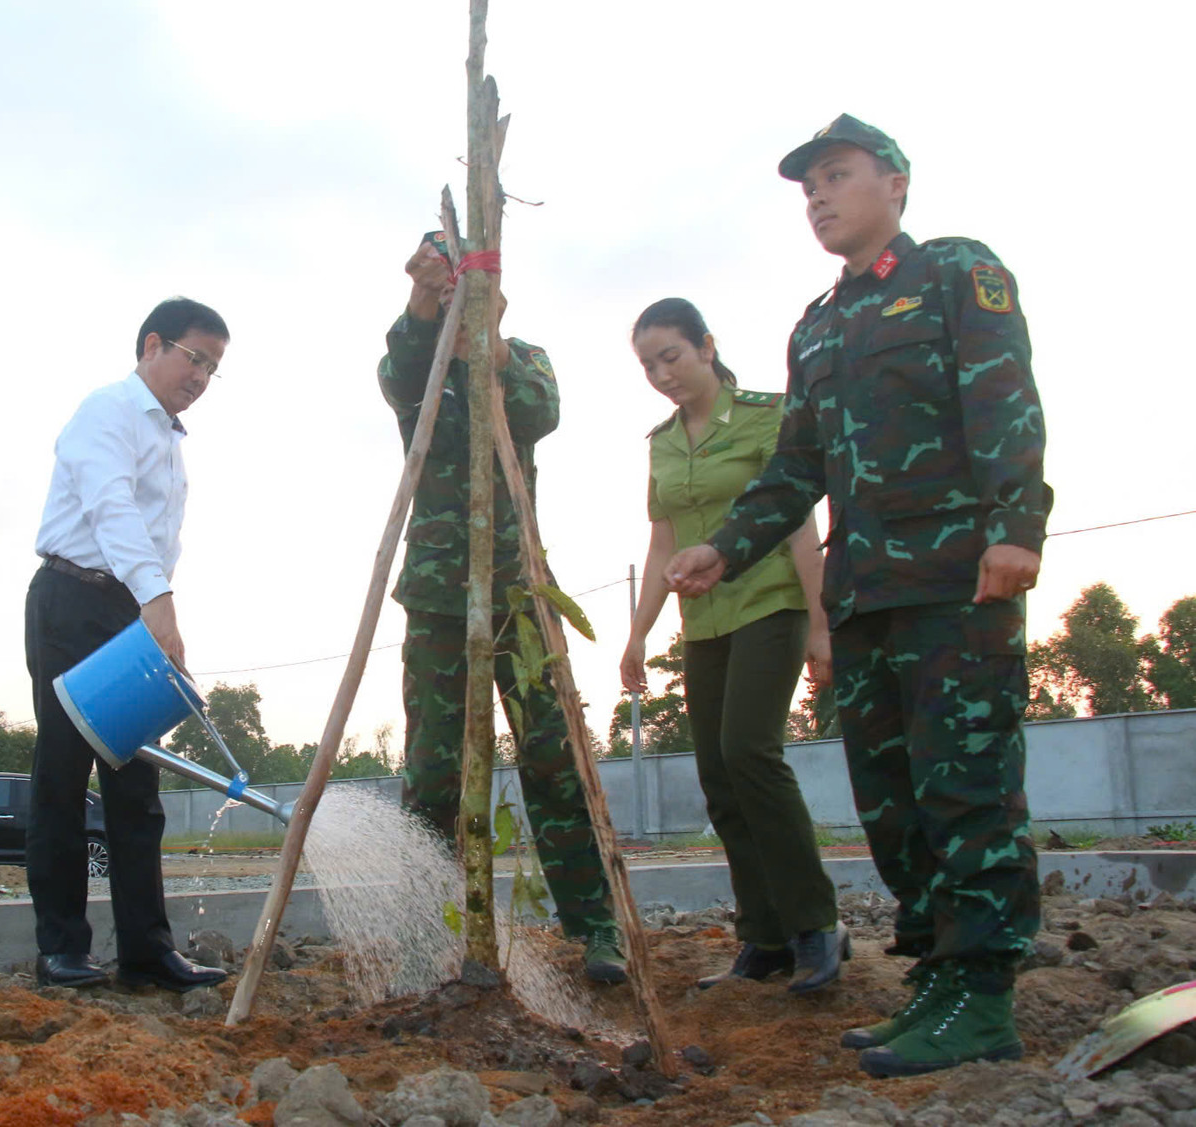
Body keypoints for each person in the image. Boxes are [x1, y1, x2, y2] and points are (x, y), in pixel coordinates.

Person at [665, 115, 1050, 1077]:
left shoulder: (957, 274)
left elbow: (1003, 398)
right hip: (866, 591)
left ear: (897, 184)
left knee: (966, 788)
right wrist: (722, 545)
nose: (820, 198)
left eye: (837, 176)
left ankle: (983, 993)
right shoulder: (819, 324)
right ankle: (936, 974)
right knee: (892, 799)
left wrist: (1016, 525)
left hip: (957, 582)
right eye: (808, 189)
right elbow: (797, 468)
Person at [379, 233, 627, 984]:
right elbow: (399, 373)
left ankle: (597, 931)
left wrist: (481, 343)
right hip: (437, 600)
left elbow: (538, 409)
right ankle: (428, 938)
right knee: (431, 774)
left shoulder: (524, 362)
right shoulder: (421, 369)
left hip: (520, 596)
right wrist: (426, 302)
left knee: (555, 761)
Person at [622, 297, 846, 995]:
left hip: (769, 602)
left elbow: (798, 524)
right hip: (705, 624)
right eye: (648, 364)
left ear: (707, 347)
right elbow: (662, 541)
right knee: (719, 773)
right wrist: (637, 632)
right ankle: (765, 936)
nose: (662, 373)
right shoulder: (661, 442)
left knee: (751, 750)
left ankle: (817, 924)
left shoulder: (763, 416)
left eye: (672, 356)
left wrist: (818, 623)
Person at [26, 296, 231, 992]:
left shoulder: (171, 440)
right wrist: (158, 601)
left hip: (131, 610)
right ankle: (61, 949)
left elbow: (153, 540)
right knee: (61, 774)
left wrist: (155, 614)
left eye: (213, 368)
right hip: (73, 600)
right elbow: (110, 507)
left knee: (137, 784)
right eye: (193, 357)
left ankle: (147, 949)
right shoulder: (107, 412)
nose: (201, 376)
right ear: (152, 345)